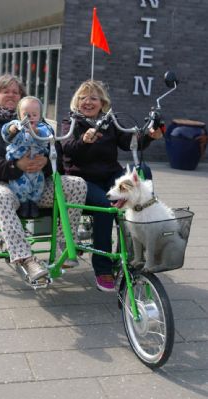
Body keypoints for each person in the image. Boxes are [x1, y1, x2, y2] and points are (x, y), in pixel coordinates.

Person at [0, 74, 87, 283]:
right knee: (0, 197)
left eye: (15, 92)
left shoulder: (40, 124)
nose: (11, 95)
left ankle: (65, 243)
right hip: (2, 184)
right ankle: (26, 258)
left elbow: (59, 156)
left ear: (22, 97)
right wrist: (16, 165)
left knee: (76, 184)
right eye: (5, 91)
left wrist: (45, 162)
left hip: (37, 184)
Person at [58, 79, 163, 292]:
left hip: (109, 177)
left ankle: (137, 253)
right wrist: (84, 141)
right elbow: (67, 148)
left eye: (93, 98)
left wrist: (150, 136)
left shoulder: (110, 122)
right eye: (83, 97)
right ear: (76, 102)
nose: (88, 102)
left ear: (102, 103)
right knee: (107, 207)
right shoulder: (71, 123)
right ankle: (103, 268)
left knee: (140, 182)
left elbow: (129, 143)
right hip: (82, 180)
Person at [1, 96, 54, 217]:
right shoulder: (17, 125)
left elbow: (48, 137)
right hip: (19, 167)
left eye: (34, 114)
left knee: (38, 186)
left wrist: (37, 132)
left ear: (40, 116)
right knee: (19, 186)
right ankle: (24, 205)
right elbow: (5, 133)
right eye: (26, 114)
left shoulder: (42, 127)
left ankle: (33, 204)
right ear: (19, 115)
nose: (30, 118)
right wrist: (12, 129)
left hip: (37, 168)